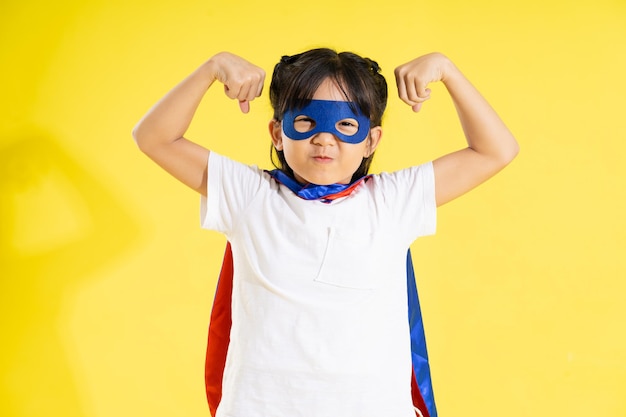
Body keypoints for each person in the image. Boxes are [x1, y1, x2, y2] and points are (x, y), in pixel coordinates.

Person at [132, 48, 519, 417]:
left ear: (372, 140)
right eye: (305, 121)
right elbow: (153, 137)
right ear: (277, 133)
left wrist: (446, 70)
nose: (324, 138)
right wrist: (211, 69)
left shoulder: (392, 202)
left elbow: (495, 150)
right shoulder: (248, 195)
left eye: (346, 124)